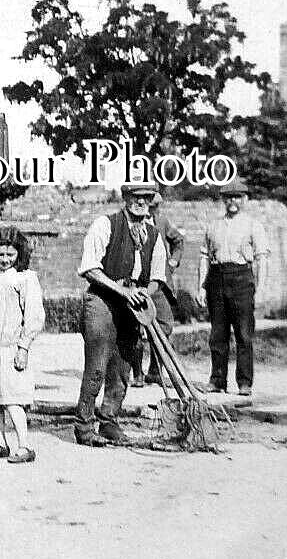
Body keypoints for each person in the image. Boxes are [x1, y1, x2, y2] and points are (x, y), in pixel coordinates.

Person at [74, 182, 167, 446]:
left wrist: (144, 292)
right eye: (135, 197)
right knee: (97, 366)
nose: (141, 202)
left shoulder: (154, 235)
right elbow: (90, 268)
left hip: (132, 305)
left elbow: (158, 277)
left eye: (146, 197)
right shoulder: (106, 224)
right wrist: (122, 291)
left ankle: (109, 421)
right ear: (125, 198)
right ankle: (84, 426)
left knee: (123, 365)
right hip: (102, 299)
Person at [0, 227, 45, 464]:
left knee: (13, 399)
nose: (5, 260)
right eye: (0, 255)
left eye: (10, 255)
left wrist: (24, 347)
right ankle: (0, 443)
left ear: (19, 254)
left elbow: (34, 316)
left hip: (12, 348)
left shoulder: (24, 278)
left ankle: (24, 445)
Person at [198, 179, 270, 396]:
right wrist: (201, 287)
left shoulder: (253, 225)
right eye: (229, 197)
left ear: (244, 199)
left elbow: (262, 259)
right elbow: (204, 257)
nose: (233, 201)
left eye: (237, 197)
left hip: (242, 279)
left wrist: (261, 289)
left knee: (244, 334)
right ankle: (217, 380)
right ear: (223, 200)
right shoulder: (213, 226)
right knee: (217, 334)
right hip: (217, 279)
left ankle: (245, 383)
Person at [132, 192, 183, 387]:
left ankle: (155, 371)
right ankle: (137, 373)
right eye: (148, 206)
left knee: (165, 324)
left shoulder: (161, 222)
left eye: (153, 207)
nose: (149, 211)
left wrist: (173, 262)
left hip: (158, 282)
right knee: (134, 328)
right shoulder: (129, 223)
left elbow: (178, 240)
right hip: (135, 283)